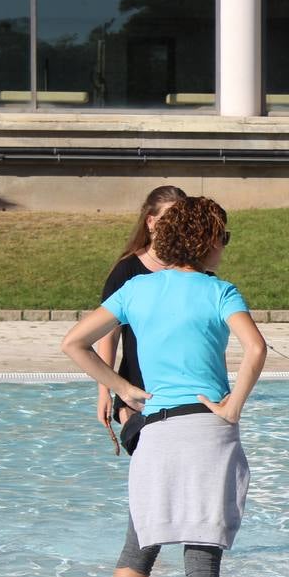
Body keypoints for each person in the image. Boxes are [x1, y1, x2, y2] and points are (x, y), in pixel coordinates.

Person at [61, 195, 267, 577]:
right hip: (208, 430)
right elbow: (255, 349)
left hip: (154, 428)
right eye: (224, 236)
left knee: (141, 543)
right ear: (207, 241)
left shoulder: (137, 290)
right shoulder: (221, 291)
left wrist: (123, 389)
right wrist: (234, 404)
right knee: (203, 552)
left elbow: (73, 342)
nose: (225, 247)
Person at [95, 185, 186, 441]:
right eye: (168, 219)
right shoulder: (127, 271)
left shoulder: (192, 271)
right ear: (150, 222)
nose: (175, 227)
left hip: (179, 389)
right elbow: (108, 335)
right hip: (135, 390)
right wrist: (105, 391)